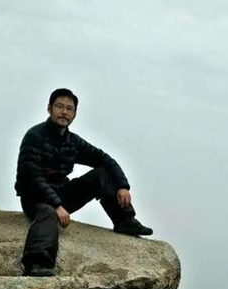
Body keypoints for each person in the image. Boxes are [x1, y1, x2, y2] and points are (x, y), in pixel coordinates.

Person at [15, 88, 153, 277]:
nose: (64, 112)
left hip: (62, 193)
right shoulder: (34, 136)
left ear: (74, 113)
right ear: (49, 109)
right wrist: (56, 206)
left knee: (102, 174)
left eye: (69, 108)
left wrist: (122, 186)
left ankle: (125, 221)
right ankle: (37, 264)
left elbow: (104, 159)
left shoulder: (73, 141)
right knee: (48, 214)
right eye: (59, 106)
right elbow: (32, 178)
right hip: (35, 197)